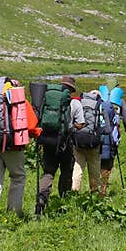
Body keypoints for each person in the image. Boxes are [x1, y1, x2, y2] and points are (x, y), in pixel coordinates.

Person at [0, 79, 42, 220]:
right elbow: (32, 125)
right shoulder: (18, 101)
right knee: (18, 177)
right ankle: (14, 213)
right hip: (14, 146)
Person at [35, 75, 84, 216]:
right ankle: (63, 200)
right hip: (65, 143)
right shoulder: (75, 103)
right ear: (72, 90)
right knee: (66, 172)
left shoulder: (48, 99)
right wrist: (72, 125)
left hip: (47, 141)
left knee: (48, 172)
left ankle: (41, 199)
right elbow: (80, 124)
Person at [99, 77, 126, 197]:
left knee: (96, 161)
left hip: (97, 134)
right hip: (112, 136)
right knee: (108, 163)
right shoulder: (120, 102)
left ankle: (94, 189)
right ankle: (103, 189)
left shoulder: (99, 99)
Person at [72, 88, 104, 194]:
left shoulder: (79, 102)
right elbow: (104, 127)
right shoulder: (99, 105)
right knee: (94, 168)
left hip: (78, 140)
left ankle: (74, 191)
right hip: (93, 141)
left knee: (77, 167)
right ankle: (95, 193)